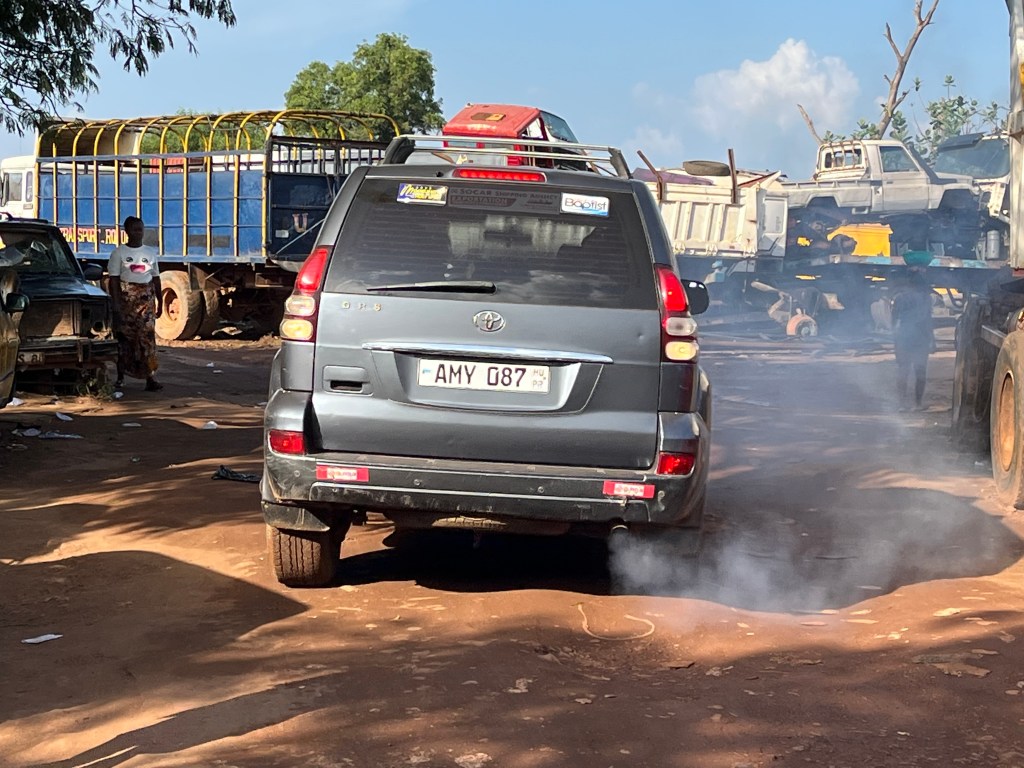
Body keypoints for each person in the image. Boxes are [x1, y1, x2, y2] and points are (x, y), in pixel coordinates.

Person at [107, 216, 163, 391]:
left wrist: (160, 301)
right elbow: (113, 280)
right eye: (135, 229)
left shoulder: (150, 253)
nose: (138, 233)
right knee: (125, 339)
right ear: (127, 231)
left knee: (147, 339)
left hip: (146, 302)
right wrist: (116, 304)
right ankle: (121, 376)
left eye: (141, 229)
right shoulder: (118, 253)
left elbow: (156, 279)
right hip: (127, 302)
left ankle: (150, 377)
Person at [890, 269, 935, 411]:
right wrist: (932, 339)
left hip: (903, 336)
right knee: (920, 371)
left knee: (903, 370)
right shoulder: (926, 298)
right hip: (921, 337)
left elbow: (893, 320)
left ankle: (902, 404)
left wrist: (896, 337)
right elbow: (928, 320)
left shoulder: (899, 298)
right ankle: (918, 404)